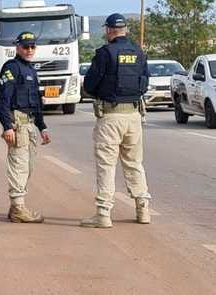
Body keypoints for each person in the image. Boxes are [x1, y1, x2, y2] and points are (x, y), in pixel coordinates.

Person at [81, 13, 152, 229]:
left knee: (106, 165)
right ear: (126, 30)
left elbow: (90, 84)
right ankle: (143, 209)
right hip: (134, 115)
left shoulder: (105, 53)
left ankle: (103, 214)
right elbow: (145, 82)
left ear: (109, 30)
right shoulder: (138, 52)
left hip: (111, 116)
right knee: (134, 163)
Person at [0, 32, 52, 223]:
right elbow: (3, 100)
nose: (29, 50)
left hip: (29, 124)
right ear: (17, 48)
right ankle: (18, 208)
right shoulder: (11, 68)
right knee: (19, 166)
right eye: (25, 47)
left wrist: (42, 127)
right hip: (17, 124)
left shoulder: (31, 70)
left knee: (28, 167)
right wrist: (7, 127)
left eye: (32, 47)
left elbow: (36, 103)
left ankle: (16, 207)